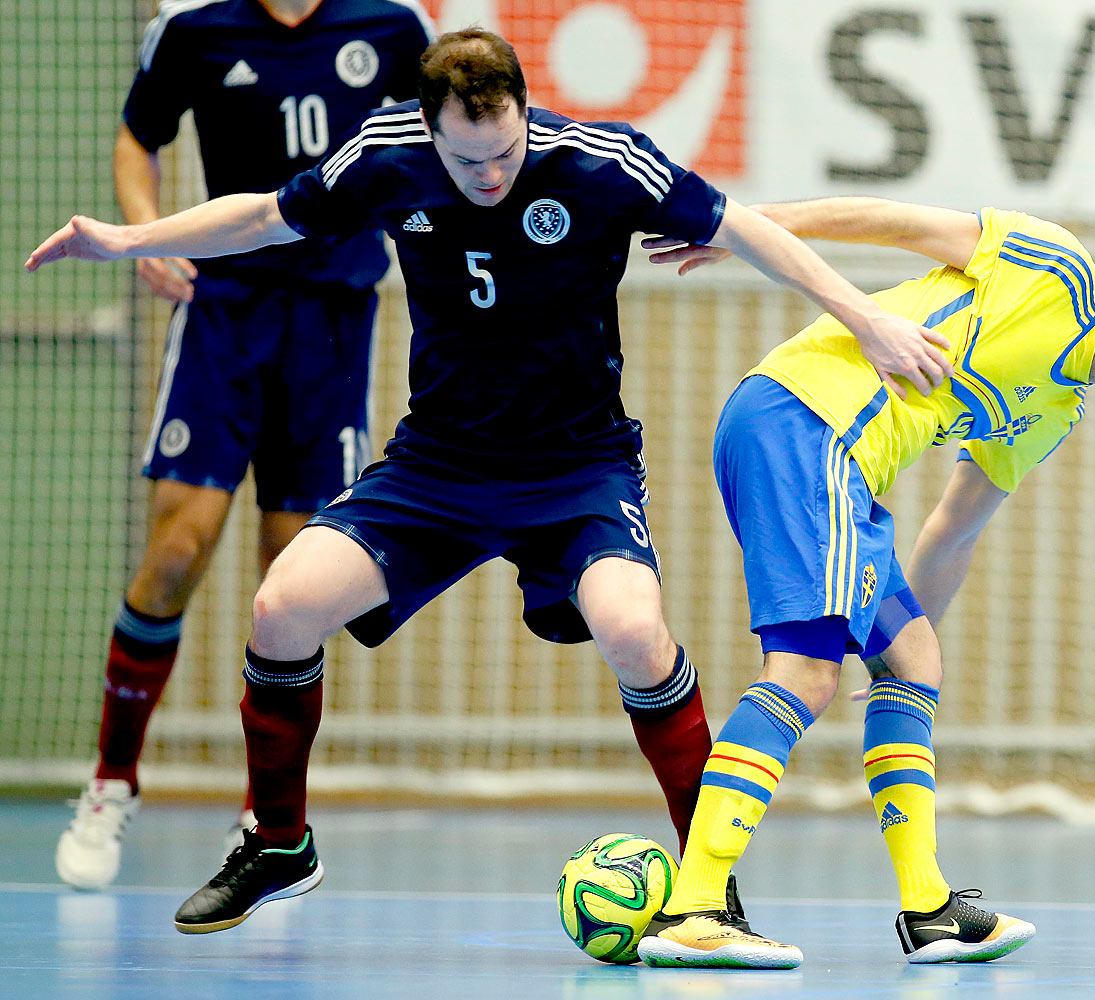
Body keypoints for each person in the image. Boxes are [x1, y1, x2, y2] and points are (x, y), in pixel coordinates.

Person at [27, 32, 959, 933]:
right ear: (428, 128)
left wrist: (866, 318)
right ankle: (278, 846)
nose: (490, 176)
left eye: (505, 151)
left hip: (577, 469)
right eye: (467, 161)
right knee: (281, 609)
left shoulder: (600, 161)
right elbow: (266, 214)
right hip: (436, 466)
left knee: (635, 632)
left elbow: (747, 227)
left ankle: (707, 890)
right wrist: (124, 239)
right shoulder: (384, 155)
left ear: (522, 113)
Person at [634, 197, 1095, 968]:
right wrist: (746, 230)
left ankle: (929, 911)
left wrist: (891, 664)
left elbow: (953, 527)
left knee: (915, 661)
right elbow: (888, 222)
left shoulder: (1052, 412)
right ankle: (696, 907)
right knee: (803, 674)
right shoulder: (1052, 268)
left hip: (838, 465)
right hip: (808, 423)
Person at [53, 0, 435, 891]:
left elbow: (438, 151)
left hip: (334, 323)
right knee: (177, 550)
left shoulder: (392, 28)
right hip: (223, 314)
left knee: (292, 578)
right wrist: (145, 236)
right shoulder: (193, 28)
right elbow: (135, 137)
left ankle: (268, 818)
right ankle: (111, 782)